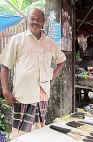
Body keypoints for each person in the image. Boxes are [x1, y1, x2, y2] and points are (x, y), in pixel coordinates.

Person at [0, 8, 66, 136]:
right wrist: (5, 90)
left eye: (38, 19)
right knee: (20, 134)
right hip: (23, 95)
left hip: (42, 95)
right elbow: (5, 66)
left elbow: (62, 60)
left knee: (39, 131)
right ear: (27, 20)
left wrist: (53, 75)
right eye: (32, 19)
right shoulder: (17, 40)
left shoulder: (49, 43)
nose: (35, 22)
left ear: (43, 22)